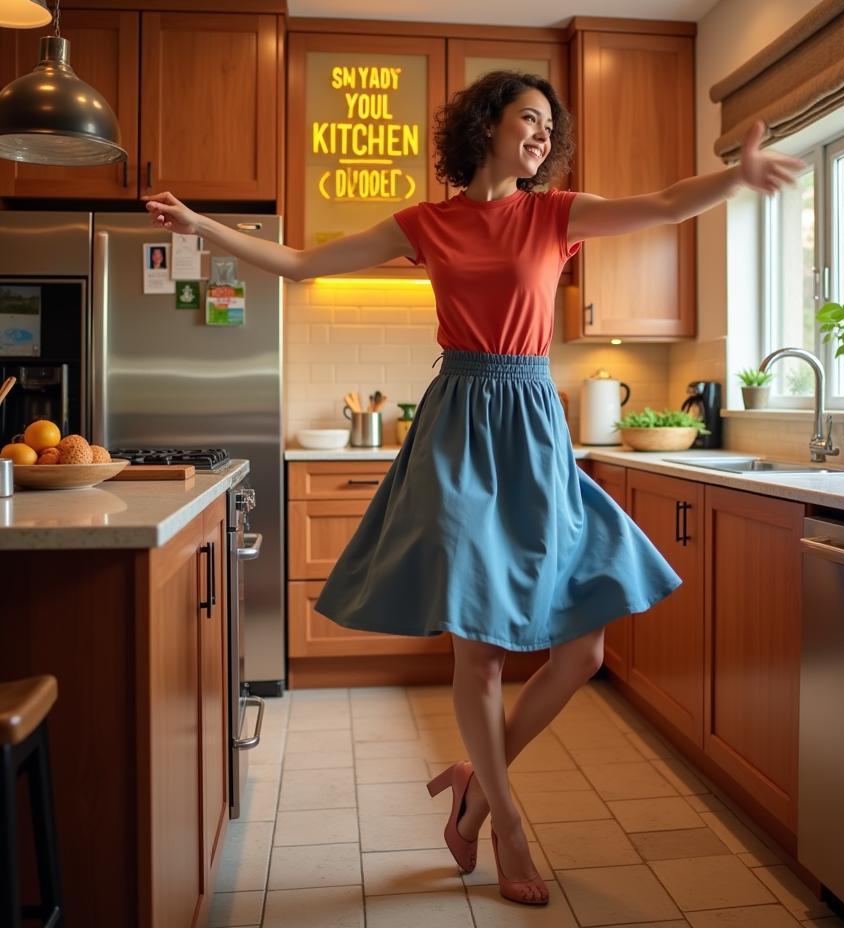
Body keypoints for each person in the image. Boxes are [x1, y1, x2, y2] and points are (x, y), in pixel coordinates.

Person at [144, 70, 800, 907]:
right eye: (528, 118)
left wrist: (736, 178)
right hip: (458, 431)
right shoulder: (429, 223)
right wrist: (203, 225)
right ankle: (509, 827)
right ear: (487, 124)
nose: (541, 134)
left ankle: (474, 786)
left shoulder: (555, 215)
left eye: (548, 126)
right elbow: (303, 264)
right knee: (481, 649)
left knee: (584, 648)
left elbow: (668, 203)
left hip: (534, 427)